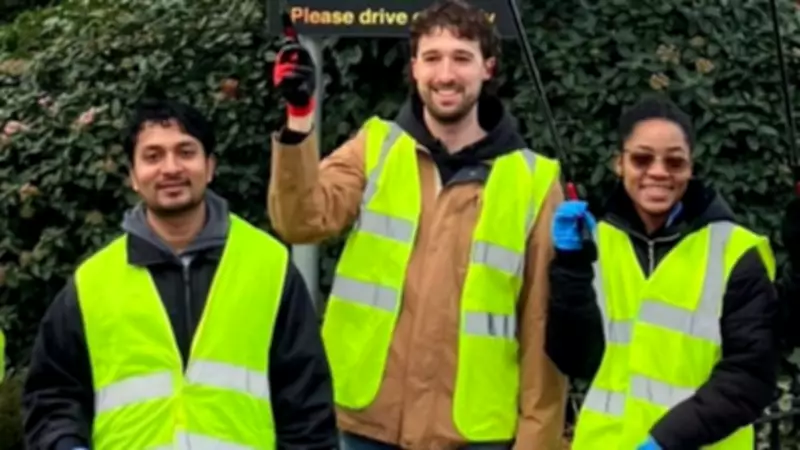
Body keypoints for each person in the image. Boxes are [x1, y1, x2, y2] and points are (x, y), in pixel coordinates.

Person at [269, 0, 569, 449]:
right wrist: (298, 123)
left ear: (487, 67)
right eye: (432, 58)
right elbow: (300, 221)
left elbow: (542, 324)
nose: (445, 74)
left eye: (461, 58)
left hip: (475, 434)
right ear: (414, 67)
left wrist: (536, 439)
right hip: (363, 422)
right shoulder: (375, 148)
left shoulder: (534, 180)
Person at [22, 98, 338, 450]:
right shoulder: (92, 281)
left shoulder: (269, 265)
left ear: (210, 166)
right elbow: (53, 396)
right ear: (133, 176)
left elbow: (306, 406)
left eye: (185, 152)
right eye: (153, 156)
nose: (170, 168)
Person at [547, 95, 779, 450]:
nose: (658, 172)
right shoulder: (595, 243)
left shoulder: (736, 251)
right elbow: (574, 357)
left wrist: (664, 441)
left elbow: (750, 376)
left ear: (691, 168)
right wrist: (570, 267)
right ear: (619, 163)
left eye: (674, 162)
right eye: (641, 158)